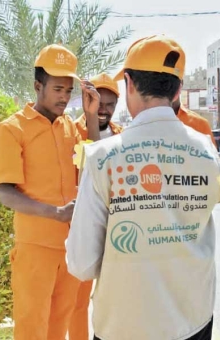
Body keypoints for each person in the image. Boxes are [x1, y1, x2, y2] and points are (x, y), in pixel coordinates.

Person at [66, 35, 220, 340]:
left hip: (124, 326)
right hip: (194, 321)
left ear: (129, 83)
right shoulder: (207, 149)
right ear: (178, 88)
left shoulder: (103, 157)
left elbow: (82, 264)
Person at [0, 44, 100, 340]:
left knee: (58, 327)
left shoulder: (71, 128)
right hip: (34, 249)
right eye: (57, 89)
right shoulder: (12, 130)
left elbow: (93, 163)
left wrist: (91, 116)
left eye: (68, 90)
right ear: (38, 86)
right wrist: (55, 213)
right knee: (31, 328)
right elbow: (5, 192)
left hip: (69, 248)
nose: (64, 97)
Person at [69, 72, 122, 340]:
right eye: (98, 102)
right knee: (76, 303)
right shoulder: (70, 131)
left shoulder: (123, 137)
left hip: (117, 231)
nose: (103, 110)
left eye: (110, 104)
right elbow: (91, 168)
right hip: (83, 228)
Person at [75, 72, 123, 140]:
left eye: (109, 105)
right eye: (99, 104)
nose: (103, 110)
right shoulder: (72, 133)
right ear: (87, 101)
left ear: (116, 103)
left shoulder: (121, 135)